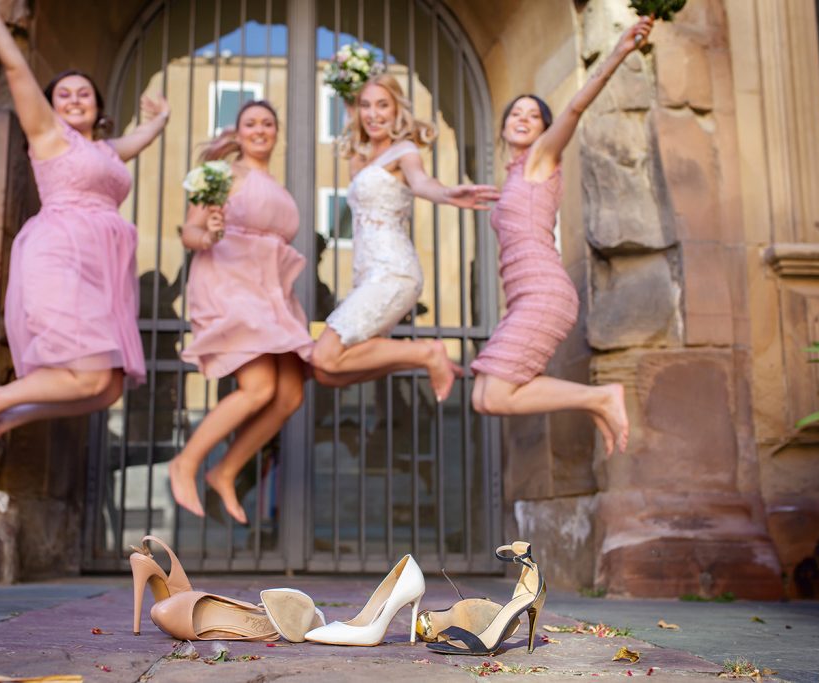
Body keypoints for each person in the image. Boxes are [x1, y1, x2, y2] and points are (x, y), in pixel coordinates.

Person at [0, 0, 170, 459]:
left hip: (100, 271)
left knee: (108, 388)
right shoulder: (48, 136)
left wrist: (160, 118)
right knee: (92, 376)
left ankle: (8, 417)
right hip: (59, 256)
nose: (74, 99)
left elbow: (139, 139)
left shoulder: (106, 152)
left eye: (84, 93)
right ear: (52, 106)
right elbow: (17, 69)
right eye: (64, 94)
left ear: (97, 106)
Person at [471, 16, 656, 456]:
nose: (523, 118)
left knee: (495, 395)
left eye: (534, 116)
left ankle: (600, 397)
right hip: (527, 295)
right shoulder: (517, 176)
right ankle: (596, 399)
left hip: (543, 293)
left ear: (543, 130)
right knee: (484, 397)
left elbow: (573, 108)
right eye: (516, 113)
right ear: (503, 126)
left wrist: (618, 53)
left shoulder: (541, 159)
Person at [168, 101, 313, 524]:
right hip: (231, 282)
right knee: (259, 387)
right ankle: (186, 462)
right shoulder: (222, 174)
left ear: (277, 132)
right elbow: (192, 233)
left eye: (268, 122)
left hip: (271, 291)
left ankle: (225, 471)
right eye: (251, 123)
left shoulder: (277, 186)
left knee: (290, 395)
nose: (260, 129)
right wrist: (210, 232)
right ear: (238, 132)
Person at [311, 74, 499, 401]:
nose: (374, 114)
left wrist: (447, 194)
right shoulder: (360, 159)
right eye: (366, 106)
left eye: (383, 105)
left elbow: (422, 183)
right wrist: (349, 100)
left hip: (393, 271)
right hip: (368, 275)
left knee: (324, 355)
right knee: (327, 373)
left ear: (398, 110)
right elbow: (355, 137)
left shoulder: (404, 151)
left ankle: (427, 353)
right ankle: (420, 357)